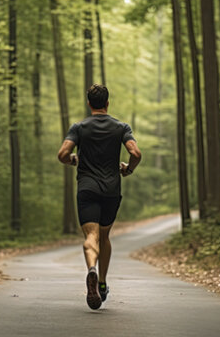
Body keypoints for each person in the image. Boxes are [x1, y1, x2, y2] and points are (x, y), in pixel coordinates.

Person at [57, 84, 142, 310]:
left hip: (86, 188)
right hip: (111, 191)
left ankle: (91, 270)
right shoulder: (121, 127)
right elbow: (135, 153)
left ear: (89, 103)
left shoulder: (79, 127)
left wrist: (74, 160)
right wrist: (128, 169)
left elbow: (62, 154)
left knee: (90, 237)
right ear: (107, 103)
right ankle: (102, 284)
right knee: (104, 236)